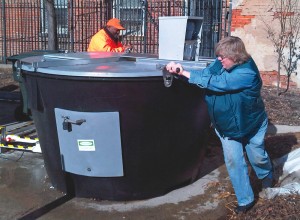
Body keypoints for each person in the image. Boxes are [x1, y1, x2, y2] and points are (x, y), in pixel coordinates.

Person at [166, 36, 273, 214]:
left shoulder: (247, 73)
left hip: (251, 124)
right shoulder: (222, 63)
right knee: (234, 161)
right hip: (228, 127)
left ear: (236, 56)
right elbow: (206, 74)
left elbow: (219, 83)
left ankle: (266, 173)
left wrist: (185, 73)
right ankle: (245, 200)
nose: (218, 60)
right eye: (218, 56)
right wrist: (180, 70)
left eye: (223, 57)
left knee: (257, 157)